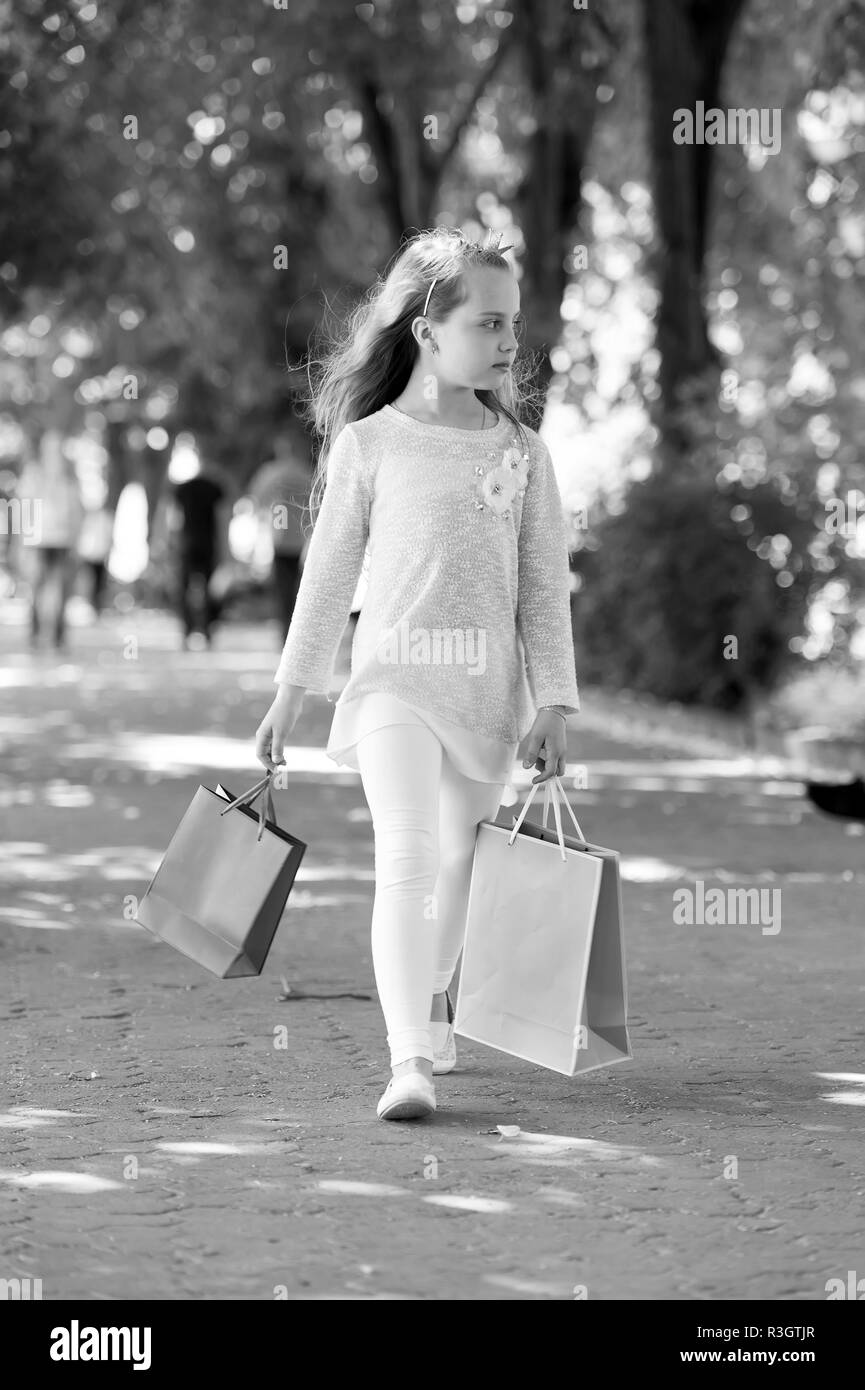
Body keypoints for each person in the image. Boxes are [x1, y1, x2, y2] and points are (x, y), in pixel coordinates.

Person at [254, 227, 580, 1122]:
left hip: (487, 691)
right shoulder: (368, 444)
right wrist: (291, 694)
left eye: (513, 322)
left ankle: (434, 1004)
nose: (509, 342)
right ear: (427, 328)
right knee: (404, 856)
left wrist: (553, 700)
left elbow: (543, 590)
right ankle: (408, 1063)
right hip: (392, 680)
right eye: (488, 322)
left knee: (459, 864)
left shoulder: (521, 452)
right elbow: (326, 579)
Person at [16, 429, 85, 652]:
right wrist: (22, 541)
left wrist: (76, 539)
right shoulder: (33, 474)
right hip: (38, 540)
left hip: (63, 540)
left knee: (62, 588)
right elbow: (24, 509)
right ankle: (36, 634)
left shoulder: (69, 477)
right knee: (37, 588)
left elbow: (77, 511)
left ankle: (58, 636)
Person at [248, 429, 314, 646]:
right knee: (298, 587)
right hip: (302, 537)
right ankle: (293, 631)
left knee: (283, 588)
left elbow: (256, 498)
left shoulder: (271, 472)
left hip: (279, 536)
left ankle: (286, 631)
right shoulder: (305, 473)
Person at [170, 463, 227, 647]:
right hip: (209, 543)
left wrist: (172, 543)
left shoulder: (182, 489)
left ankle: (187, 631)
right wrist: (225, 547)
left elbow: (174, 519)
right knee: (211, 589)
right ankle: (208, 630)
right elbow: (221, 519)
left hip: (187, 544)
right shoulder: (215, 488)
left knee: (184, 587)